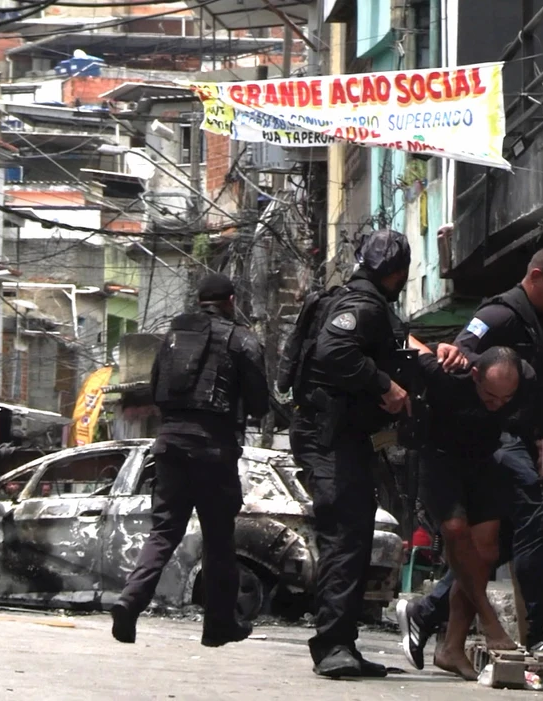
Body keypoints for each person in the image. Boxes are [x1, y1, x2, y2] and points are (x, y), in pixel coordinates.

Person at [397, 243, 543, 666]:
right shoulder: (498, 315)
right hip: (494, 441)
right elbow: (459, 353)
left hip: (517, 436)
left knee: (491, 544)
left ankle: (433, 619)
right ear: (535, 276)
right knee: (533, 518)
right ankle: (540, 629)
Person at [289, 229, 452, 679]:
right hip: (331, 436)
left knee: (353, 536)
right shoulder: (362, 306)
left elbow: (395, 346)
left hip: (341, 436)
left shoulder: (367, 303)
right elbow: (334, 351)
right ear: (398, 273)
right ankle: (332, 646)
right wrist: (385, 386)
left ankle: (341, 641)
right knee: (345, 537)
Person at [110, 273, 268, 647]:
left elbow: (155, 389)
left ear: (200, 301)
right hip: (214, 452)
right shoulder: (241, 339)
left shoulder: (172, 339)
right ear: (230, 299)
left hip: (170, 445)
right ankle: (217, 626)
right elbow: (260, 403)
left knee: (163, 532)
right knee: (218, 540)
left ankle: (129, 602)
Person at [413, 344, 529, 680]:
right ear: (476, 376)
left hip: (481, 464)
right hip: (440, 461)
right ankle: (489, 619)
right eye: (491, 396)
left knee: (486, 551)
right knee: (455, 530)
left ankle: (451, 647)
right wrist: (439, 348)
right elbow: (403, 334)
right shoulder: (448, 374)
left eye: (506, 399)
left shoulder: (521, 384)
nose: (497, 405)